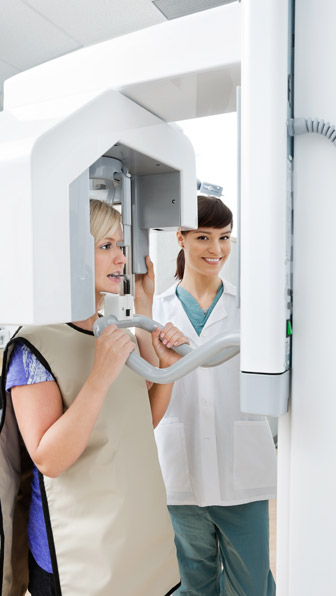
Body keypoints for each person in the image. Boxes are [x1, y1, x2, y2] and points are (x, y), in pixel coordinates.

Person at [0, 199, 189, 596]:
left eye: (121, 245)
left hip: (133, 539)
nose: (121, 257)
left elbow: (140, 420)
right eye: (106, 246)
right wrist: (98, 378)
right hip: (78, 556)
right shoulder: (36, 345)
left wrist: (165, 369)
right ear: (71, 256)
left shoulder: (111, 329)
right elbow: (49, 459)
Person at [152, 195, 277, 596]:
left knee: (253, 586)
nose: (216, 249)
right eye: (204, 237)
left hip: (242, 467)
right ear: (181, 238)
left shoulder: (253, 308)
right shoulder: (156, 310)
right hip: (178, 466)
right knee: (193, 584)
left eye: (224, 238)